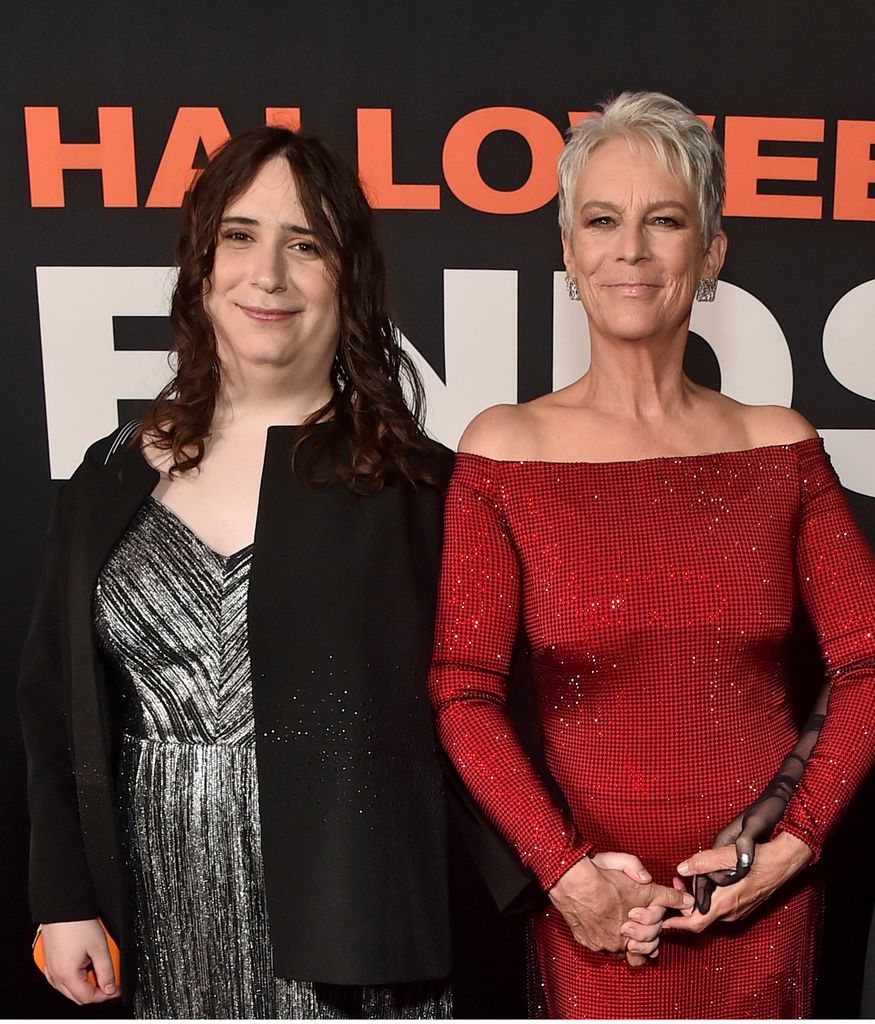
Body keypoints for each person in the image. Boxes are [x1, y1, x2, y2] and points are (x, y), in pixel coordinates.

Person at [18, 126, 534, 1018]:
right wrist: (62, 898)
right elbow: (55, 708)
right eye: (241, 236)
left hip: (357, 930)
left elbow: (482, 711)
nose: (268, 274)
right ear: (202, 265)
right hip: (154, 915)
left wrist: (562, 874)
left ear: (350, 276)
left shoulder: (425, 491)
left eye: (306, 244)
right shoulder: (107, 477)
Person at [428, 91, 875, 1019]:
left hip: (761, 913)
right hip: (594, 911)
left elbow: (871, 660)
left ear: (709, 252)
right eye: (601, 220)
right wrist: (563, 874)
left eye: (664, 220)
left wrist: (792, 845)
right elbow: (462, 688)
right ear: (568, 250)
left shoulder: (777, 446)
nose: (630, 249)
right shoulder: (506, 449)